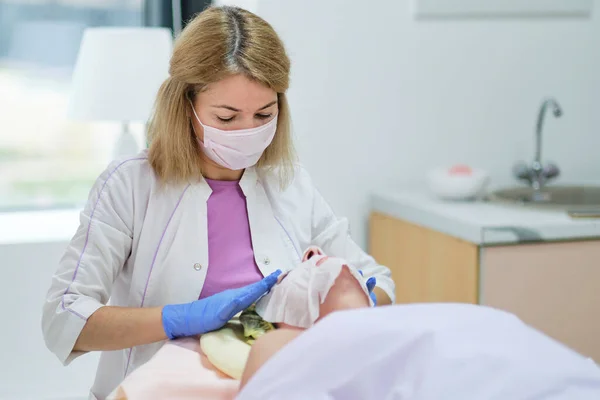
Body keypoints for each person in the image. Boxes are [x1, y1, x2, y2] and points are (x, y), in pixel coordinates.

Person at [41, 5, 395, 399]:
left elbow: (377, 283)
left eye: (265, 114)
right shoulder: (130, 186)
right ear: (186, 107)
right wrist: (178, 319)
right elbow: (63, 318)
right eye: (227, 118)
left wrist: (322, 303)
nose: (248, 131)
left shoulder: (289, 183)